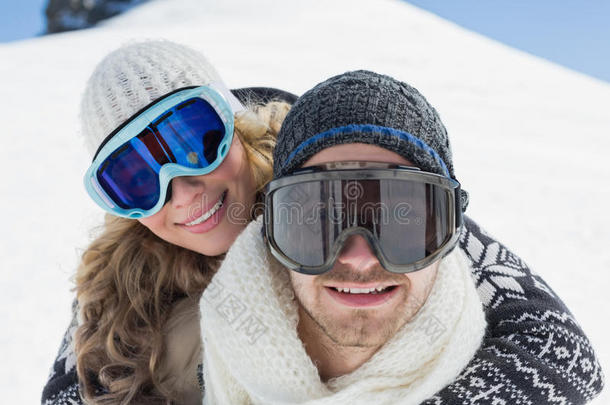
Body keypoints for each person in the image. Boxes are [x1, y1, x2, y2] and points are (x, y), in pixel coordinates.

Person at [198, 71, 604, 404]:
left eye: (402, 219)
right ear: (272, 228)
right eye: (318, 218)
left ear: (451, 233)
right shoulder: (195, 360)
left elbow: (566, 356)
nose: (358, 257)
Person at [41, 40, 293, 405]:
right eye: (138, 181)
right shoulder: (115, 286)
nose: (184, 193)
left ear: (237, 125)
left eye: (192, 144)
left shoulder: (324, 205)